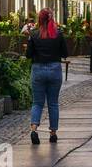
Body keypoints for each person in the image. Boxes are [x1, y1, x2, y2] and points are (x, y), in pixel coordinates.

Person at [25, 9, 69, 145]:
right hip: (55, 69)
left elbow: (28, 55)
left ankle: (34, 130)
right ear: (52, 19)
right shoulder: (59, 34)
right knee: (53, 103)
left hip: (38, 69)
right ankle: (53, 133)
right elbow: (65, 53)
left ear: (39, 19)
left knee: (37, 103)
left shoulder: (33, 34)